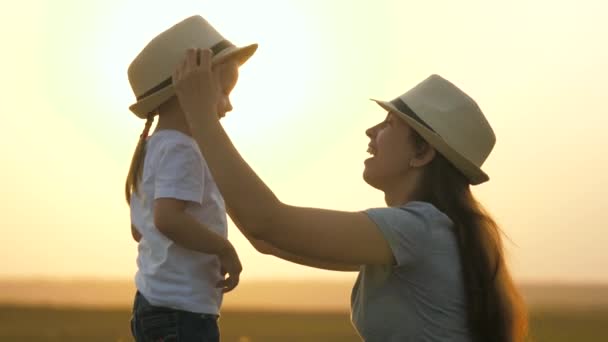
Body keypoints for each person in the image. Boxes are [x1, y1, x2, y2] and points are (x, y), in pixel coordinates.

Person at [173, 49, 529, 341]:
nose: (370, 131)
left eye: (389, 124)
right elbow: (266, 239)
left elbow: (269, 223)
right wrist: (202, 130)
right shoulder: (423, 232)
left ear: (422, 154)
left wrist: (203, 115)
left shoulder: (418, 229)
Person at [125, 16, 257, 342]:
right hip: (180, 313)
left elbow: (140, 229)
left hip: (155, 304)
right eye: (223, 92)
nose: (229, 105)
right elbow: (168, 219)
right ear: (187, 90)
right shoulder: (183, 149)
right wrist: (223, 248)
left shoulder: (154, 145)